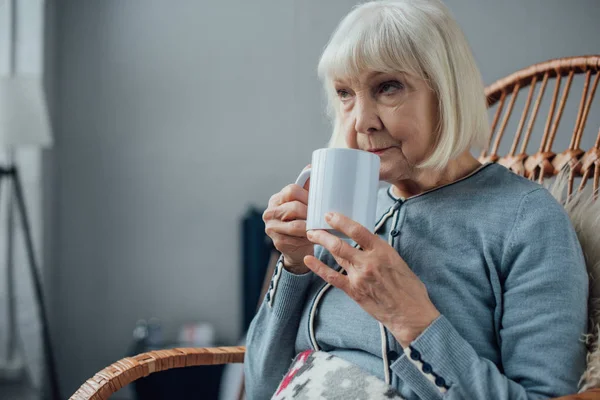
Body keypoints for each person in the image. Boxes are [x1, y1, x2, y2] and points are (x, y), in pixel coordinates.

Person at [244, 1, 588, 399]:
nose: (360, 121)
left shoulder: (527, 221)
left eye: (387, 87)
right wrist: (293, 266)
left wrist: (412, 320)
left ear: (447, 92)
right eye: (345, 93)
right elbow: (259, 385)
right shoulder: (351, 212)